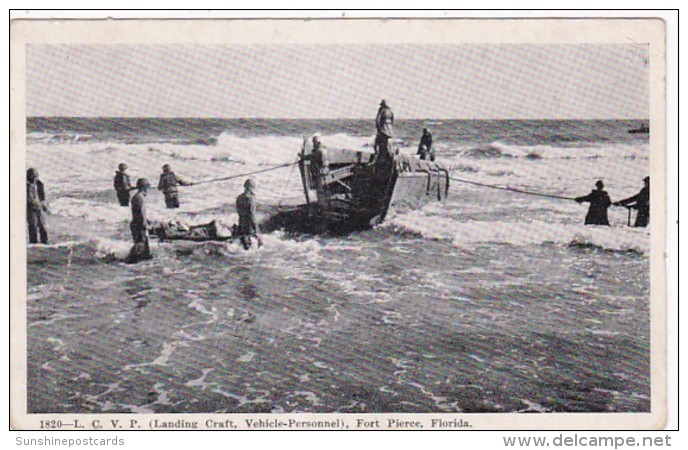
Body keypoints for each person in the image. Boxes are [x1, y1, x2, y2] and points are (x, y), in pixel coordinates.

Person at [128, 178, 152, 262]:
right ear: (143, 188)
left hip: (136, 223)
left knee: (140, 245)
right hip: (139, 225)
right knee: (141, 246)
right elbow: (141, 213)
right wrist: (145, 225)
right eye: (146, 188)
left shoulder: (136, 197)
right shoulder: (140, 197)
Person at [236, 178, 261, 250]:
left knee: (244, 246)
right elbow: (252, 214)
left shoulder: (239, 197)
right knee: (257, 246)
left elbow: (239, 213)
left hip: (241, 224)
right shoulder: (251, 198)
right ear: (252, 188)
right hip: (249, 226)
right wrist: (256, 229)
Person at [26, 168, 49, 244]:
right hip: (30, 209)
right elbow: (28, 199)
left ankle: (45, 242)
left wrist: (44, 205)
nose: (34, 178)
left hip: (39, 207)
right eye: (32, 176)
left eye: (35, 176)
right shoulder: (25, 186)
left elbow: (42, 196)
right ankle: (33, 243)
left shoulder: (39, 184)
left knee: (42, 226)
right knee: (33, 227)